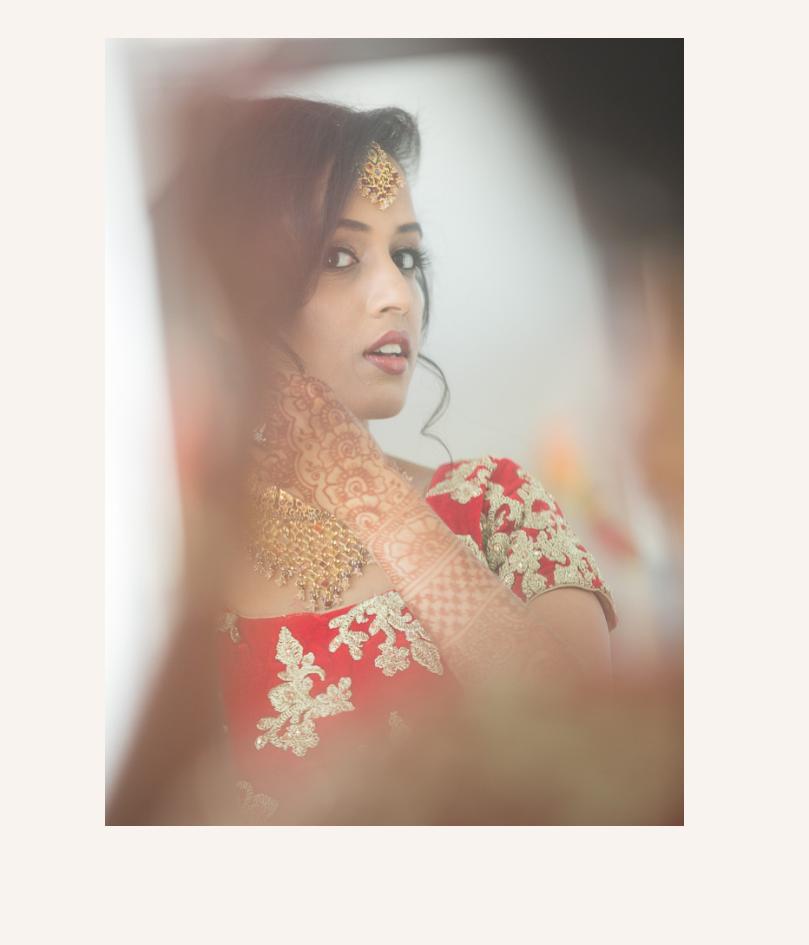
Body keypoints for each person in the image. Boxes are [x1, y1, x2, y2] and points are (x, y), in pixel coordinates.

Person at [152, 95, 617, 824]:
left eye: (405, 255)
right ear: (231, 294)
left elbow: (602, 762)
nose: (397, 294)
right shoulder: (169, 554)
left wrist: (371, 494)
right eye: (340, 256)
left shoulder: (494, 501)